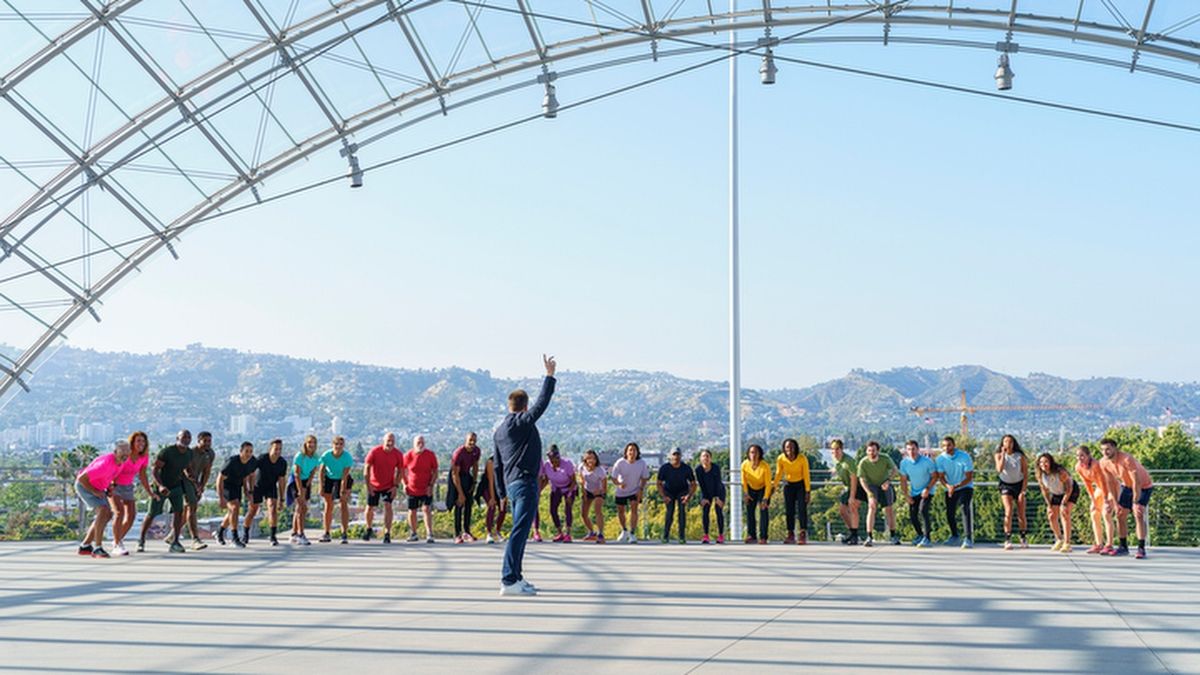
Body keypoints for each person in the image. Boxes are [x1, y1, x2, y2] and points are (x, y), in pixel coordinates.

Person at [495, 354, 556, 597]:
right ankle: (509, 579)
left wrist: (500, 493)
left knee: (520, 530)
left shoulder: (500, 430)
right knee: (519, 531)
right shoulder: (521, 422)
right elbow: (542, 404)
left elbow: (498, 465)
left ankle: (517, 577)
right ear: (524, 407)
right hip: (525, 482)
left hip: (511, 484)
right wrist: (549, 377)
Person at [138, 430, 194, 554]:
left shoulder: (189, 453)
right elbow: (155, 470)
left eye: (188, 437)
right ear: (177, 438)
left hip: (176, 487)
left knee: (179, 512)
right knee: (152, 513)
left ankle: (175, 542)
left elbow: (187, 468)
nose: (186, 439)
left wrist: (194, 481)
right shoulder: (167, 452)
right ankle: (141, 540)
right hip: (161, 487)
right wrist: (160, 486)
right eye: (183, 437)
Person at [1099, 438, 1154, 559]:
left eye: (1108, 449)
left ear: (1115, 448)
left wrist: (1135, 501)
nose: (1105, 452)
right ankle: (1123, 547)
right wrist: (1115, 502)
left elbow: (1136, 481)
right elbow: (1110, 482)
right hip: (1127, 486)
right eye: (1102, 450)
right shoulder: (1103, 462)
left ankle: (1141, 548)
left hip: (1143, 486)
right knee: (1119, 514)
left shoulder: (1126, 459)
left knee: (1138, 513)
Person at [75, 440, 131, 558]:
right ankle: (97, 548)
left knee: (107, 515)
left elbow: (111, 477)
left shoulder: (120, 463)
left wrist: (110, 487)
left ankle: (85, 546)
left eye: (128, 451)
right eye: (123, 451)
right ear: (115, 452)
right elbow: (82, 478)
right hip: (85, 486)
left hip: (99, 487)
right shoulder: (105, 464)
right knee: (103, 510)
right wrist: (94, 491)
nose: (126, 453)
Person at [109, 431, 153, 556]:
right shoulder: (125, 455)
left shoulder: (144, 457)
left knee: (131, 516)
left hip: (128, 487)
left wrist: (149, 492)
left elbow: (143, 475)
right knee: (119, 513)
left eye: (143, 441)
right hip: (115, 485)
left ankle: (117, 540)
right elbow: (114, 469)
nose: (141, 444)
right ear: (132, 442)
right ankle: (117, 544)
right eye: (138, 441)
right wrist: (110, 484)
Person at [245, 439, 288, 546]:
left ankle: (273, 536)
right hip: (258, 486)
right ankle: (245, 534)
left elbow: (282, 481)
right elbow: (251, 473)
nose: (278, 451)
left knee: (272, 508)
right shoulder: (262, 458)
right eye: (276, 449)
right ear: (270, 449)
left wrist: (282, 498)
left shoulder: (282, 462)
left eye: (280, 449)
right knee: (253, 510)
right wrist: (250, 490)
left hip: (271, 487)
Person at [856, 441, 900, 546]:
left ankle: (893, 535)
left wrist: (888, 481)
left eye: (873, 450)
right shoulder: (863, 462)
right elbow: (862, 479)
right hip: (871, 485)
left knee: (889, 509)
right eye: (869, 450)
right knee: (872, 507)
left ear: (878, 451)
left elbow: (894, 469)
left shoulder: (885, 458)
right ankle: (869, 536)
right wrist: (869, 493)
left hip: (884, 484)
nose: (871, 453)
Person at [1074, 444, 1115, 555]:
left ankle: (1109, 545)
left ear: (1089, 455)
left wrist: (1107, 500)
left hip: (1111, 488)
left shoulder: (1096, 465)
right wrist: (1092, 499)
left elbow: (1104, 482)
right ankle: (1098, 544)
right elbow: (1087, 483)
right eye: (1078, 456)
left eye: (1082, 456)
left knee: (1106, 514)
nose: (1080, 458)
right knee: (1094, 513)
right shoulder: (1078, 467)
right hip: (1099, 488)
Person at [363, 432, 403, 544]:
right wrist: (368, 485)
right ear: (383, 441)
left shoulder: (397, 454)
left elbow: (401, 471)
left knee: (388, 505)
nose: (390, 443)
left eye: (392, 441)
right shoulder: (375, 451)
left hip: (389, 485)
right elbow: (366, 469)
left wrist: (396, 486)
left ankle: (387, 533)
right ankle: (368, 528)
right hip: (374, 484)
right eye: (388, 441)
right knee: (370, 507)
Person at [936, 436, 975, 549]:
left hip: (965, 486)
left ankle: (968, 538)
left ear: (954, 445)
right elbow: (941, 477)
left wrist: (956, 486)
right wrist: (948, 486)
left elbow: (969, 477)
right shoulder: (940, 459)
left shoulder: (964, 456)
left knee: (964, 507)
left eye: (949, 445)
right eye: (944, 446)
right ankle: (954, 536)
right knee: (949, 512)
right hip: (950, 487)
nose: (946, 448)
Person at [1036, 452, 1080, 553]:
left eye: (1046, 462)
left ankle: (1067, 543)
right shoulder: (1040, 475)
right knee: (1051, 515)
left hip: (1070, 491)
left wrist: (1064, 503)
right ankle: (1059, 539)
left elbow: (1069, 487)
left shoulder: (1060, 471)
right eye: (1041, 462)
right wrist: (1049, 505)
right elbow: (1044, 491)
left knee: (1064, 513)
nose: (1044, 465)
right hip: (1056, 493)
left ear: (1051, 462)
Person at [217, 442, 258, 548]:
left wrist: (249, 491)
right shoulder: (232, 462)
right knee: (235, 508)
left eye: (250, 451)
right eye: (246, 451)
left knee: (232, 511)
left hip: (237, 485)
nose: (248, 454)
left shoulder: (252, 461)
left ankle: (220, 532)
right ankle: (234, 538)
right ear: (241, 451)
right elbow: (219, 479)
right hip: (226, 485)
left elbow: (249, 476)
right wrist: (221, 498)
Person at [898, 440, 937, 548]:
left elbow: (935, 476)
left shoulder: (927, 461)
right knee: (913, 514)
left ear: (918, 449)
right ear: (906, 451)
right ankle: (920, 535)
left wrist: (928, 488)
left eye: (913, 449)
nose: (911, 452)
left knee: (923, 510)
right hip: (914, 492)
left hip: (927, 491)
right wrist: (906, 495)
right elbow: (903, 480)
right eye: (909, 449)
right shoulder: (904, 463)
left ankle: (927, 537)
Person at [994, 434, 1029, 550]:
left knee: (1021, 513)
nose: (1008, 444)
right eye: (1006, 442)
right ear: (1002, 443)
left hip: (1018, 484)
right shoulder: (998, 455)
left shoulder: (1020, 456)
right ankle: (1007, 539)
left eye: (1010, 442)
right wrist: (1003, 455)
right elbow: (999, 469)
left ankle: (1023, 537)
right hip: (1006, 484)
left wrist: (1023, 490)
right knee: (1008, 511)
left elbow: (1025, 474)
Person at [774, 438, 811, 545]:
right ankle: (790, 534)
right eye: (787, 447)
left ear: (795, 448)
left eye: (791, 447)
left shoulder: (802, 458)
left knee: (801, 509)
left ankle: (802, 533)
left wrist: (808, 491)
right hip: (788, 485)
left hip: (800, 485)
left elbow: (806, 475)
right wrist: (773, 486)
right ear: (784, 449)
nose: (789, 449)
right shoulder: (781, 458)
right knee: (789, 510)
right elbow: (778, 473)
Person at [611, 442, 650, 544]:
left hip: (635, 490)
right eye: (630, 450)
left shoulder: (641, 463)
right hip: (621, 490)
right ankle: (624, 530)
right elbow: (613, 478)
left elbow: (645, 477)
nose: (632, 452)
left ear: (637, 452)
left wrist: (641, 489)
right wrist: (619, 484)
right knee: (621, 511)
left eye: (634, 450)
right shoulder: (620, 463)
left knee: (634, 509)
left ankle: (632, 533)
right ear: (626, 452)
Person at [403, 434, 439, 544]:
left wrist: (431, 485)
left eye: (422, 442)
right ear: (414, 444)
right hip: (412, 488)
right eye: (418, 442)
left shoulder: (430, 455)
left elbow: (435, 471)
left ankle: (429, 533)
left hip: (426, 488)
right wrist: (404, 484)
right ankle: (413, 533)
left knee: (426, 509)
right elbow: (402, 470)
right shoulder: (408, 455)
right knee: (412, 511)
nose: (420, 444)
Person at [537, 445, 576, 542]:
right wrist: (539, 491)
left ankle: (568, 533)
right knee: (553, 510)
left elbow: (573, 481)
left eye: (556, 461)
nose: (554, 463)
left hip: (569, 487)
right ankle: (560, 532)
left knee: (568, 509)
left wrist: (570, 494)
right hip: (556, 488)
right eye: (552, 461)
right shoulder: (547, 465)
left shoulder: (567, 464)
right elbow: (545, 480)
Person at [319, 436, 354, 544]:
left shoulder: (347, 457)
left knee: (343, 504)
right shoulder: (326, 455)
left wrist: (343, 491)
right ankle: (326, 532)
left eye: (341, 444)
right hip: (329, 478)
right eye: (336, 444)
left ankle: (344, 533)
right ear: (332, 445)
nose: (338, 447)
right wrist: (321, 486)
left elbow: (345, 476)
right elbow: (321, 471)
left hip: (343, 478)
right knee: (328, 505)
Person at [657, 447, 696, 544]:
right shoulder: (665, 468)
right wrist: (663, 496)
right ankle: (665, 536)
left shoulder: (686, 468)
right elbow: (659, 483)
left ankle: (682, 536)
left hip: (682, 491)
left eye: (678, 454)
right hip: (669, 491)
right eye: (674, 454)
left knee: (682, 512)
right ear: (670, 456)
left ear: (681, 456)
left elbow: (693, 483)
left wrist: (689, 496)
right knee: (669, 512)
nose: (676, 457)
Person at [184, 431, 216, 551]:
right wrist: (196, 485)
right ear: (198, 441)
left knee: (190, 508)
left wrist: (202, 486)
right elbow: (187, 472)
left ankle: (173, 534)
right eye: (205, 441)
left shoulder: (210, 454)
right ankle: (195, 539)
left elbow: (207, 471)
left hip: (196, 483)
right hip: (185, 481)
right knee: (191, 506)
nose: (207, 443)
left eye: (209, 441)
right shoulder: (191, 453)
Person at [449, 432, 482, 544]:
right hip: (456, 477)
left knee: (469, 503)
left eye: (474, 441)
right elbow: (455, 474)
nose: (472, 443)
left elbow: (475, 465)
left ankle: (467, 531)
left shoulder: (476, 451)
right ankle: (457, 533)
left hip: (467, 476)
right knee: (459, 503)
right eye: (470, 441)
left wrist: (474, 481)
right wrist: (460, 493)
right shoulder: (459, 453)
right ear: (466, 441)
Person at [831, 439, 863, 545]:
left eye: (837, 449)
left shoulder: (848, 461)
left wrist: (852, 496)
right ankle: (853, 533)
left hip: (859, 487)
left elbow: (854, 478)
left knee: (853, 507)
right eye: (833, 449)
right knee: (842, 510)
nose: (835, 452)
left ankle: (854, 536)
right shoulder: (836, 461)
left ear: (842, 449)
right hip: (848, 488)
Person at [289, 434, 320, 545]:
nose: (311, 445)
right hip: (295, 481)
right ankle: (300, 534)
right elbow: (297, 474)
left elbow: (313, 471)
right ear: (305, 444)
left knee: (302, 508)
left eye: (314, 443)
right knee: (301, 507)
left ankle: (294, 533)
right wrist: (299, 490)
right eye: (309, 442)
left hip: (306, 481)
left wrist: (307, 485)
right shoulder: (300, 456)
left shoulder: (316, 457)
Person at [741, 444, 772, 545]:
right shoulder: (744, 465)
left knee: (763, 511)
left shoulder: (765, 466)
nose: (753, 455)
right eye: (751, 452)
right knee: (750, 512)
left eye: (756, 452)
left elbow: (768, 484)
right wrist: (746, 493)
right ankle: (751, 535)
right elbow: (744, 481)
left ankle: (763, 537)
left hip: (763, 489)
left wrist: (765, 498)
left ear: (760, 454)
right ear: (748, 454)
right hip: (750, 489)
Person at [694, 449, 725, 544]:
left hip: (718, 491)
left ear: (710, 458)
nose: (705, 458)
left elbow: (718, 483)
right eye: (703, 456)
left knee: (718, 510)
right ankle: (706, 535)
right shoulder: (698, 469)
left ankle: (720, 535)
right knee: (705, 510)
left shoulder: (715, 468)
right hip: (706, 491)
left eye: (707, 456)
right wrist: (704, 498)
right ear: (700, 458)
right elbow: (701, 484)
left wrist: (718, 498)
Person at [578, 449, 607, 543]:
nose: (591, 461)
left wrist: (600, 491)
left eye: (593, 458)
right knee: (583, 513)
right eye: (589, 458)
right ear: (585, 459)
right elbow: (581, 479)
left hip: (599, 491)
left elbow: (605, 485)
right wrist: (583, 492)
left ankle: (601, 534)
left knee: (597, 510)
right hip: (587, 490)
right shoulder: (582, 467)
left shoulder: (600, 470)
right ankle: (591, 532)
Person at [478, 452, 507, 544]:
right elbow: (491, 481)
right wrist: (492, 498)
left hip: (500, 487)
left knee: (503, 509)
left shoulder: (507, 461)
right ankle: (489, 533)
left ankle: (497, 532)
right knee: (492, 506)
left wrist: (504, 495)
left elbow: (506, 479)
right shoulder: (491, 462)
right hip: (488, 487)